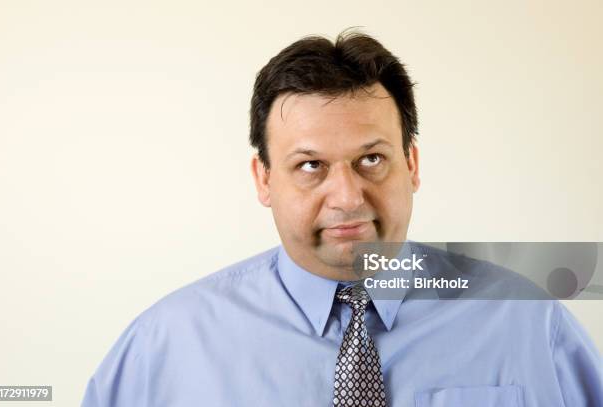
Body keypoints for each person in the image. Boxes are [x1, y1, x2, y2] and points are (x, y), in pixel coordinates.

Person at [81, 30, 602, 407]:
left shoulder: (528, 321)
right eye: (310, 166)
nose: (347, 197)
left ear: (412, 164)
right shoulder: (164, 346)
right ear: (263, 180)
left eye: (371, 159)